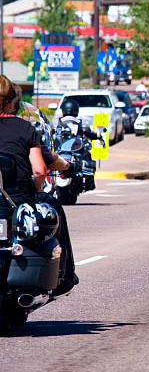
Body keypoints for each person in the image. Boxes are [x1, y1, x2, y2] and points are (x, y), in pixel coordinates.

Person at [0, 76, 77, 296]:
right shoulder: (24, 129)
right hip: (17, 202)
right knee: (53, 206)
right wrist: (34, 190)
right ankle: (65, 277)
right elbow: (39, 170)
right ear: (11, 100)